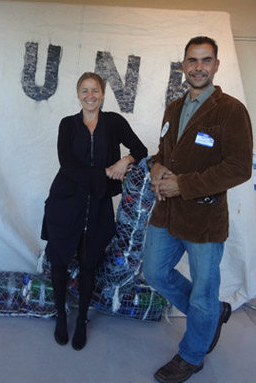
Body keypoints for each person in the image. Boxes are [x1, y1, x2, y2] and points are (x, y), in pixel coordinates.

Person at [143, 36, 253, 383]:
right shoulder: (173, 108)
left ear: (216, 66)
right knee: (155, 273)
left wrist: (184, 185)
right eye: (192, 60)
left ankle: (192, 354)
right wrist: (156, 168)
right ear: (183, 66)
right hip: (167, 213)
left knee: (204, 291)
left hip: (204, 219)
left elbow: (239, 168)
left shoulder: (231, 109)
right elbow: (162, 152)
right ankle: (210, 315)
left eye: (206, 60)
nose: (199, 67)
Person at [41, 72, 148, 350]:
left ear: (103, 94)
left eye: (95, 90)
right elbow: (68, 165)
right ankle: (61, 318)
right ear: (78, 95)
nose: (90, 95)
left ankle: (81, 322)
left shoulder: (114, 123)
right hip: (65, 202)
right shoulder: (68, 125)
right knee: (61, 260)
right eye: (85, 90)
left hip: (98, 204)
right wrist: (104, 172)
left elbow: (141, 149)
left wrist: (125, 160)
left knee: (89, 263)